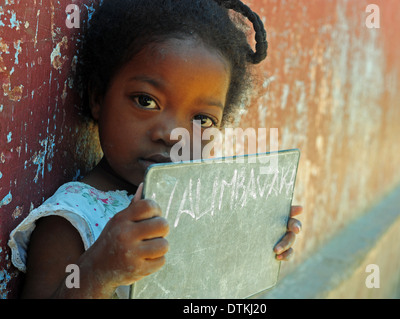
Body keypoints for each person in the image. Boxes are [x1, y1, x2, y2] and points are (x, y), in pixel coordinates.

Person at [8, 0, 303, 299]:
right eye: (146, 101)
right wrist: (99, 271)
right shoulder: (73, 219)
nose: (173, 136)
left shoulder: (200, 206)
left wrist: (255, 240)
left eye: (202, 119)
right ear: (98, 98)